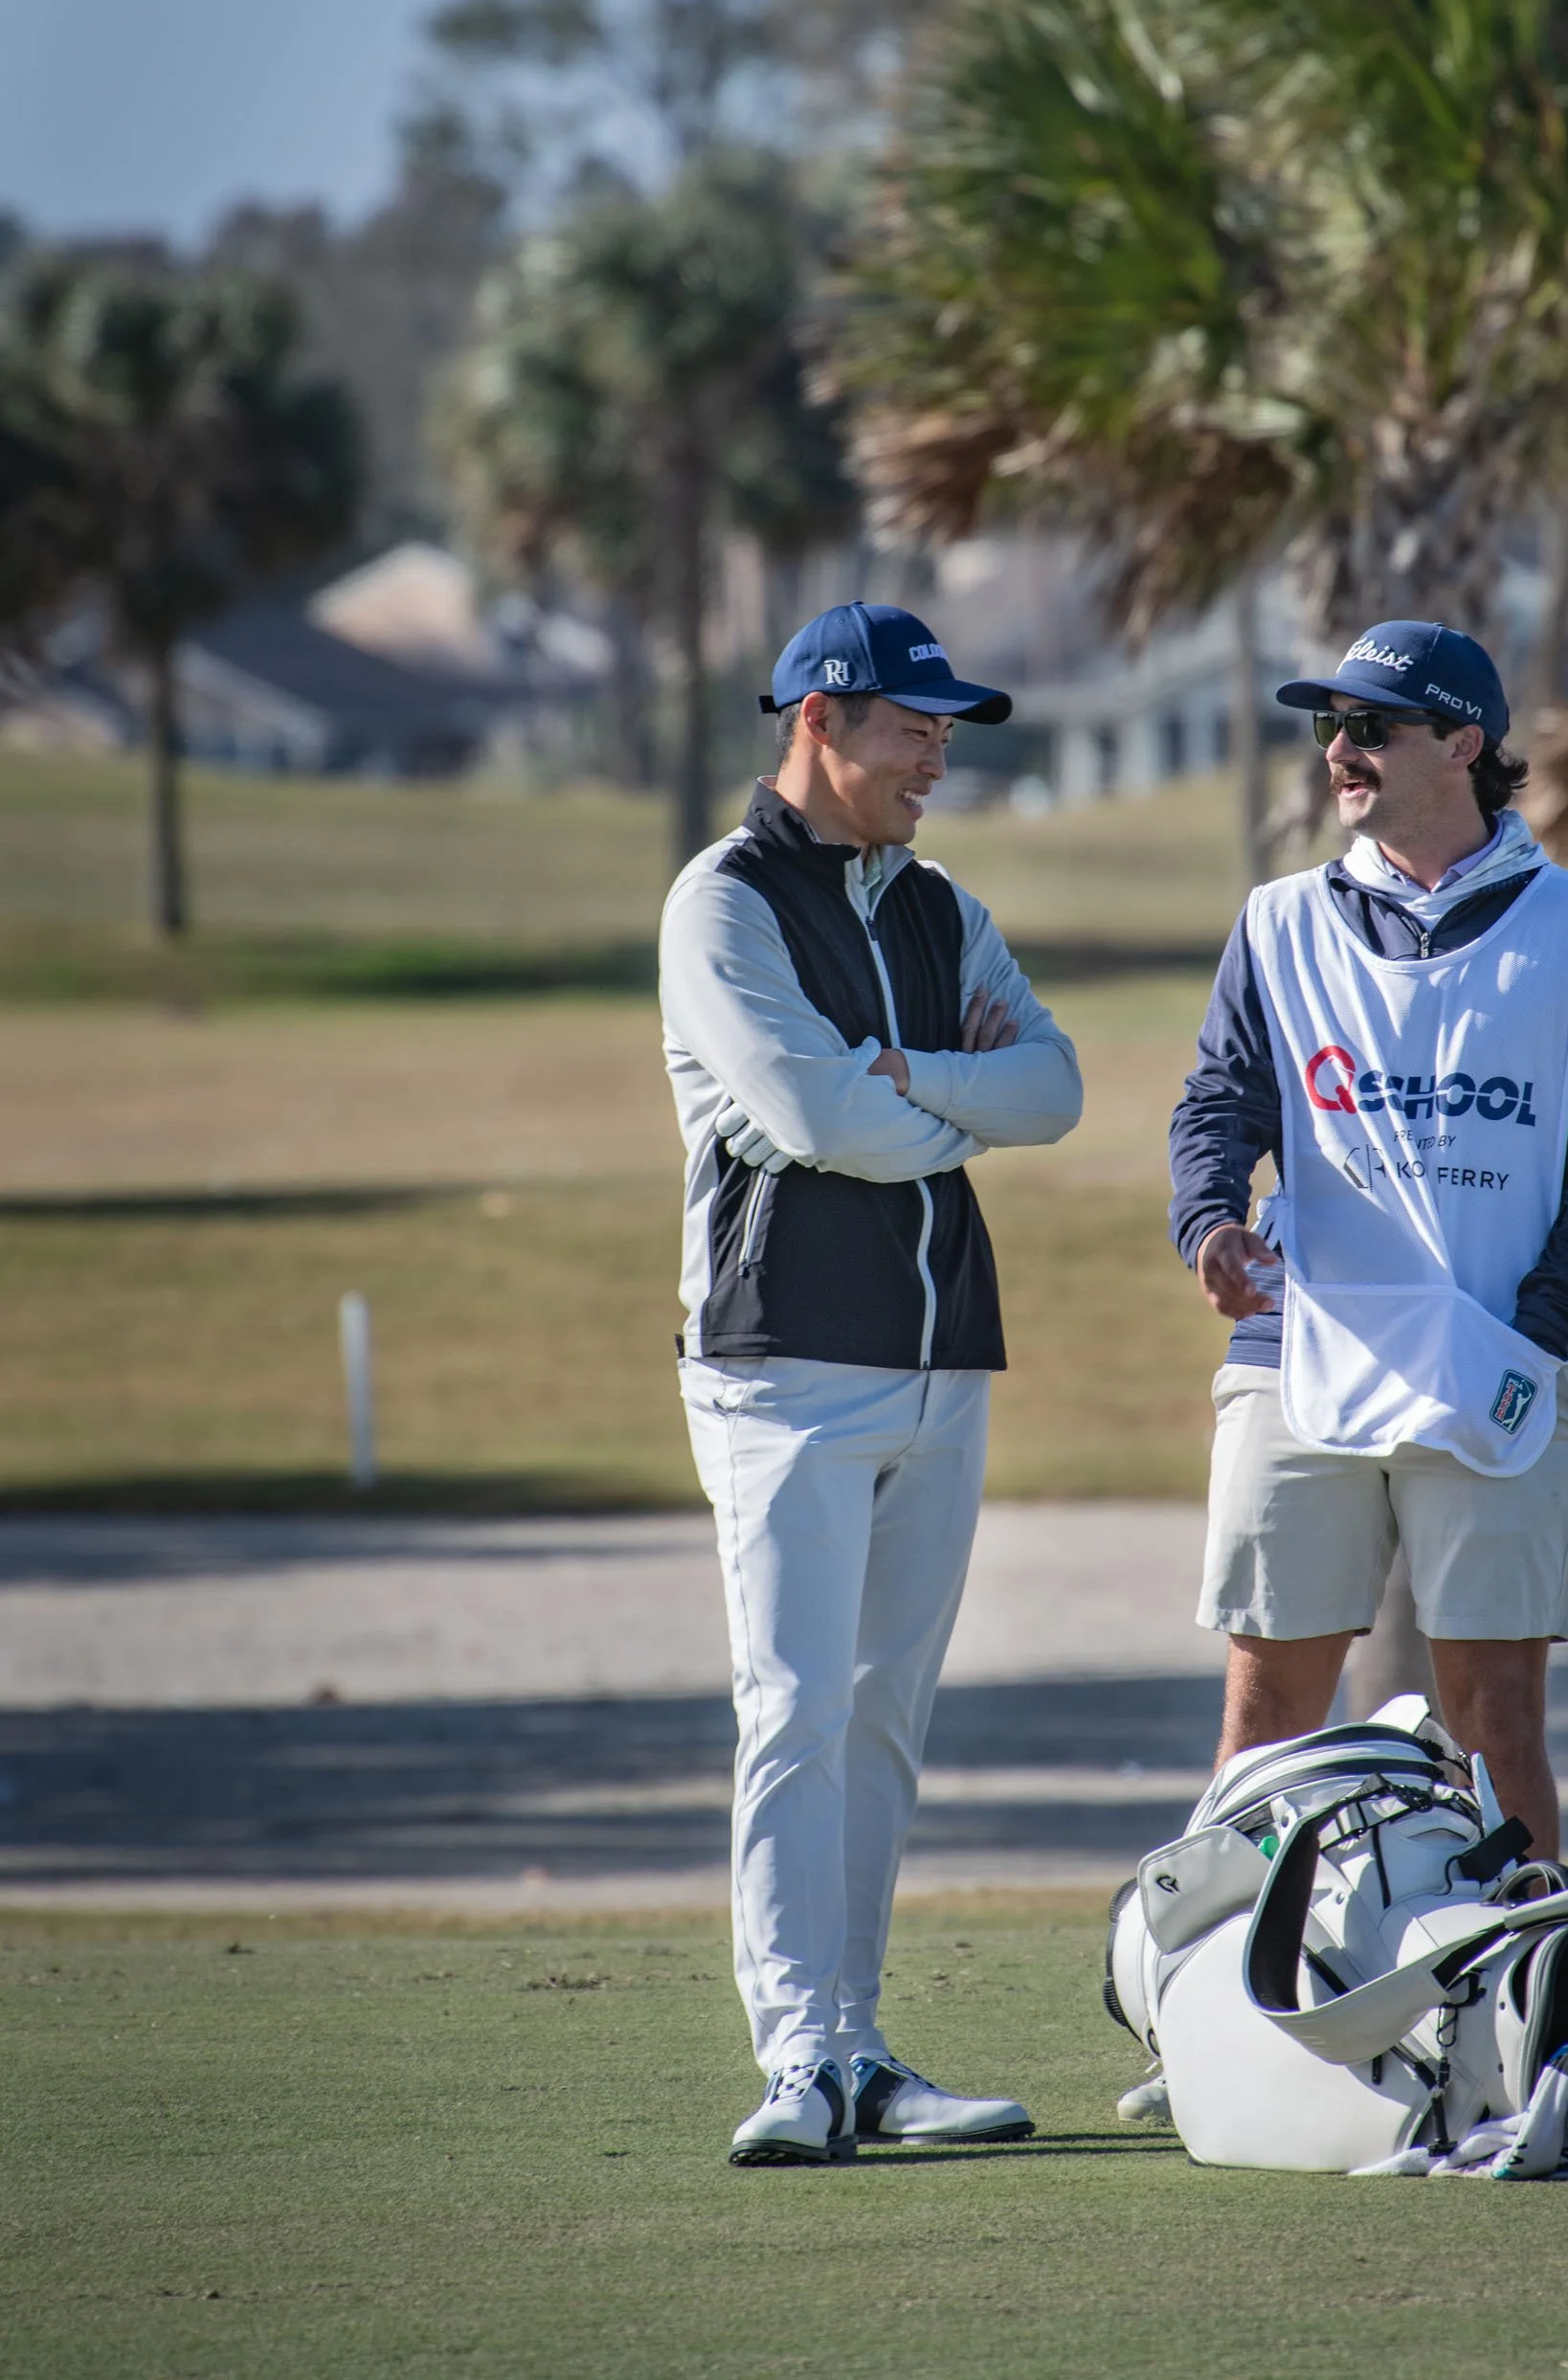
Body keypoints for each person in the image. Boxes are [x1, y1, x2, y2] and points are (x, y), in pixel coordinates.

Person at [660, 600, 1083, 2167]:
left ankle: (863, 2049)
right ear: (823, 719)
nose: (937, 755)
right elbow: (807, 1118)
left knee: (884, 1721)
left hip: (937, 1363)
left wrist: (913, 1086)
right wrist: (939, 1107)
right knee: (792, 1713)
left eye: (946, 731)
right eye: (913, 727)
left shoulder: (939, 904)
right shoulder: (721, 907)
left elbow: (1053, 1086)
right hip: (780, 1367)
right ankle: (801, 2062)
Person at [1168, 618, 1568, 1857]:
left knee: (1494, 1722)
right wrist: (1210, 1223)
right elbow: (1220, 1100)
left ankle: (1522, 2015)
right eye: (1327, 726)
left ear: (1462, 742)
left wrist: (1537, 1332)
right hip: (1296, 1353)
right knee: (1264, 1718)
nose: (1338, 750)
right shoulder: (1278, 920)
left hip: (1494, 1358)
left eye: (1370, 727)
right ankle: (1228, 2016)